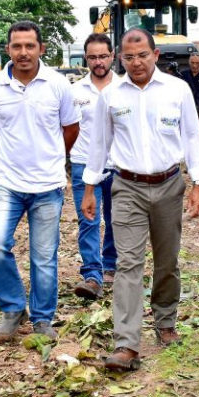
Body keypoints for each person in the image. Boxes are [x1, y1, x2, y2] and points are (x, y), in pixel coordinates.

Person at [82, 28, 199, 371]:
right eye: (129, 56)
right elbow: (99, 144)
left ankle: (165, 321)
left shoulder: (177, 90)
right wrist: (90, 188)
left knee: (167, 261)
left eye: (142, 55)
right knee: (128, 264)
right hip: (127, 187)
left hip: (169, 185)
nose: (136, 62)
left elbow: (193, 138)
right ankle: (126, 343)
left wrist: (198, 183)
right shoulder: (111, 96)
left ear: (155, 54)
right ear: (120, 58)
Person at [0, 21, 80, 343]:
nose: (23, 53)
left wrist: (49, 158)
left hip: (47, 185)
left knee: (44, 257)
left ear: (41, 49)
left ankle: (41, 319)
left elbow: (71, 129)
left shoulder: (58, 84)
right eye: (16, 46)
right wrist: (13, 161)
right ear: (8, 49)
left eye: (29, 46)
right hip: (5, 182)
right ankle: (12, 309)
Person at [70, 33, 117, 300]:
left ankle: (110, 263)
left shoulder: (124, 88)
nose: (98, 62)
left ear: (112, 55)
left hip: (117, 166)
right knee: (88, 220)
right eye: (92, 57)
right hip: (83, 165)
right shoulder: (75, 92)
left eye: (103, 56)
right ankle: (92, 275)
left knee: (116, 220)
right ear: (85, 59)